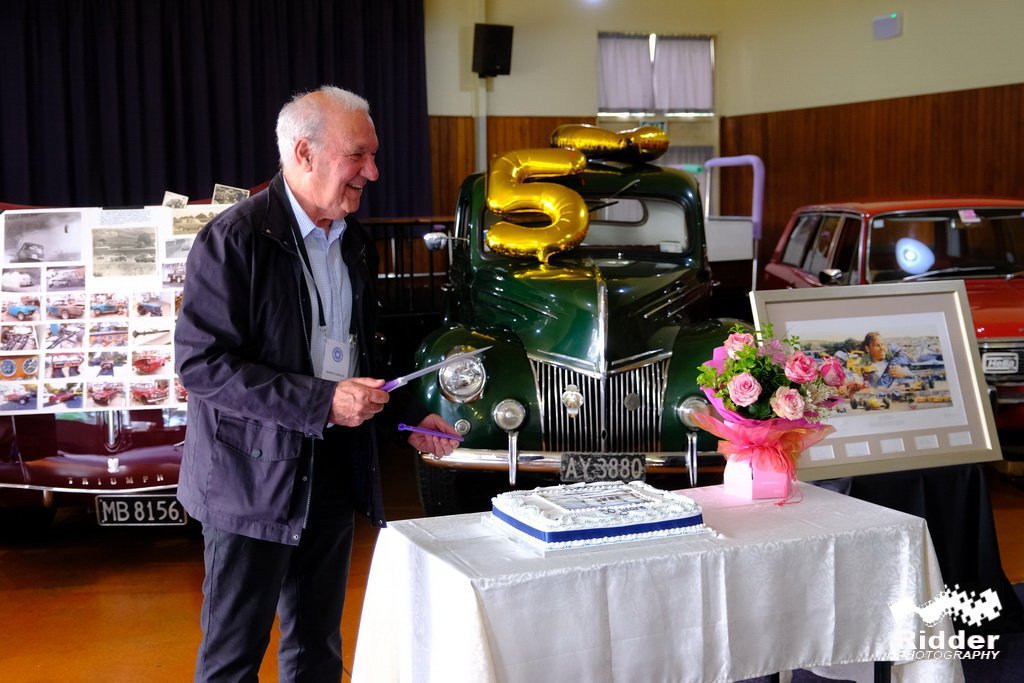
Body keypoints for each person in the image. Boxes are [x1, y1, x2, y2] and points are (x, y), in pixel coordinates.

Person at [174, 85, 460, 682]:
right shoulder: (233, 240)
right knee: (232, 661)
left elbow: (361, 352)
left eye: (372, 156)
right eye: (358, 155)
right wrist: (321, 401)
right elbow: (202, 365)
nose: (373, 172)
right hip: (248, 482)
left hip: (330, 471)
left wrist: (407, 416)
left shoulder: (353, 241)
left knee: (316, 650)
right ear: (304, 154)